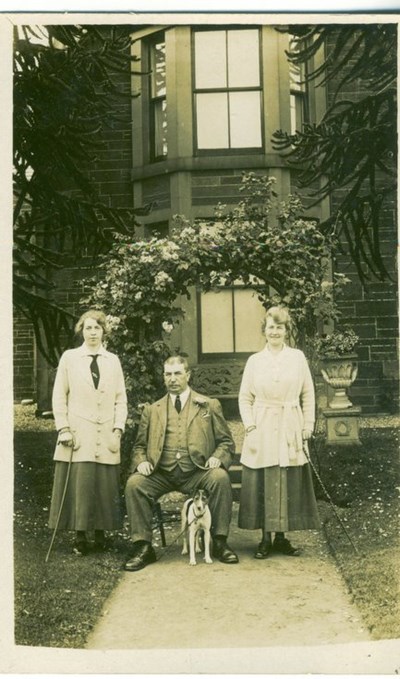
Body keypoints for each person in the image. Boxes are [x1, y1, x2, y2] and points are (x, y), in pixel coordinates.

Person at [124, 355, 239, 571]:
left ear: (188, 375)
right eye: (168, 374)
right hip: (161, 472)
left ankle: (219, 542)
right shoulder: (152, 409)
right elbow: (139, 446)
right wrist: (140, 462)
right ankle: (143, 547)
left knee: (220, 478)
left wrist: (217, 457)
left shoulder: (209, 405)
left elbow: (226, 442)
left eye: (177, 373)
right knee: (135, 484)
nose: (173, 379)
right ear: (163, 377)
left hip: (197, 471)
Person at [238, 306, 320, 559]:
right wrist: (250, 425)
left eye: (280, 327)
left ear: (287, 330)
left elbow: (308, 393)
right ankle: (264, 539)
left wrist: (307, 425)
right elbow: (244, 397)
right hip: (262, 424)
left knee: (286, 478)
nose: (275, 332)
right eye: (271, 327)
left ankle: (282, 538)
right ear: (264, 330)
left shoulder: (297, 358)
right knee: (264, 478)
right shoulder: (255, 361)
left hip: (289, 423)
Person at [49, 309, 128, 555]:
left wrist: (118, 428)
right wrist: (63, 427)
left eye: (97, 328)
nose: (92, 333)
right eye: (88, 328)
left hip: (105, 431)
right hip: (77, 430)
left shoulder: (112, 360)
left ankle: (102, 535)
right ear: (81, 331)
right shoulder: (70, 358)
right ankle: (80, 536)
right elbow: (59, 395)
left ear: (104, 331)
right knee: (80, 483)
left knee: (103, 484)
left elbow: (120, 399)